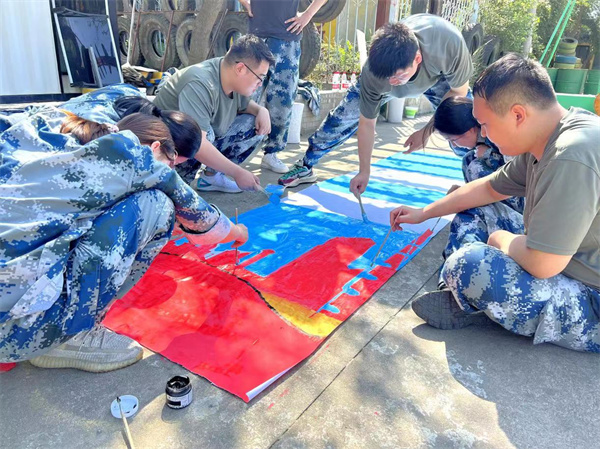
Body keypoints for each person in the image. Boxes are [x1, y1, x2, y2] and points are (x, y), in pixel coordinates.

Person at [0, 109, 249, 370]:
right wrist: (237, 232)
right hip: (15, 334)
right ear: (155, 147)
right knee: (158, 205)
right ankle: (71, 336)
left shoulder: (51, 129)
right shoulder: (135, 156)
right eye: (172, 163)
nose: (171, 169)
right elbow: (202, 220)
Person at [390, 54, 600, 353]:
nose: (484, 134)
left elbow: (543, 263)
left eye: (485, 124)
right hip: (570, 260)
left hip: (592, 297)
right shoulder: (550, 138)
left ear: (518, 115)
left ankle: (463, 289)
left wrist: (501, 239)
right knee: (470, 207)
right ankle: (459, 293)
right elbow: (488, 188)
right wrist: (423, 212)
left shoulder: (571, 154)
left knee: (470, 265)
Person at [278, 14, 472, 190]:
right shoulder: (374, 72)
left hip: (438, 79)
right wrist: (364, 171)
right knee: (340, 119)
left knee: (465, 121)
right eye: (387, 77)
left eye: (398, 77)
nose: (392, 83)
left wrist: (426, 131)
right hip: (386, 76)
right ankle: (306, 165)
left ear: (418, 58)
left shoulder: (448, 45)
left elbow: (458, 93)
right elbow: (367, 124)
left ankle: (477, 175)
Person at [154, 34, 276, 193]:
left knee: (256, 124)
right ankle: (175, 183)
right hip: (164, 149)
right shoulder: (200, 83)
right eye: (259, 77)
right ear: (240, 69)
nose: (260, 84)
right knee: (204, 135)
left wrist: (261, 110)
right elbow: (198, 144)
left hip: (192, 138)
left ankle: (211, 178)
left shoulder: (230, 75)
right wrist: (237, 173)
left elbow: (245, 105)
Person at [239, 0, 327, 174]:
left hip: (287, 40)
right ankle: (230, 153)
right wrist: (246, 3)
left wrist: (308, 14)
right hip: (257, 37)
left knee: (283, 102)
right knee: (244, 99)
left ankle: (272, 152)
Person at [432, 96, 524, 214]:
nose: (454, 145)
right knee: (469, 158)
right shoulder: (479, 138)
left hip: (523, 198)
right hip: (510, 189)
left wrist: (489, 154)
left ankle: (502, 212)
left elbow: (516, 172)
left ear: (469, 131)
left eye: (453, 140)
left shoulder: (498, 135)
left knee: (476, 167)